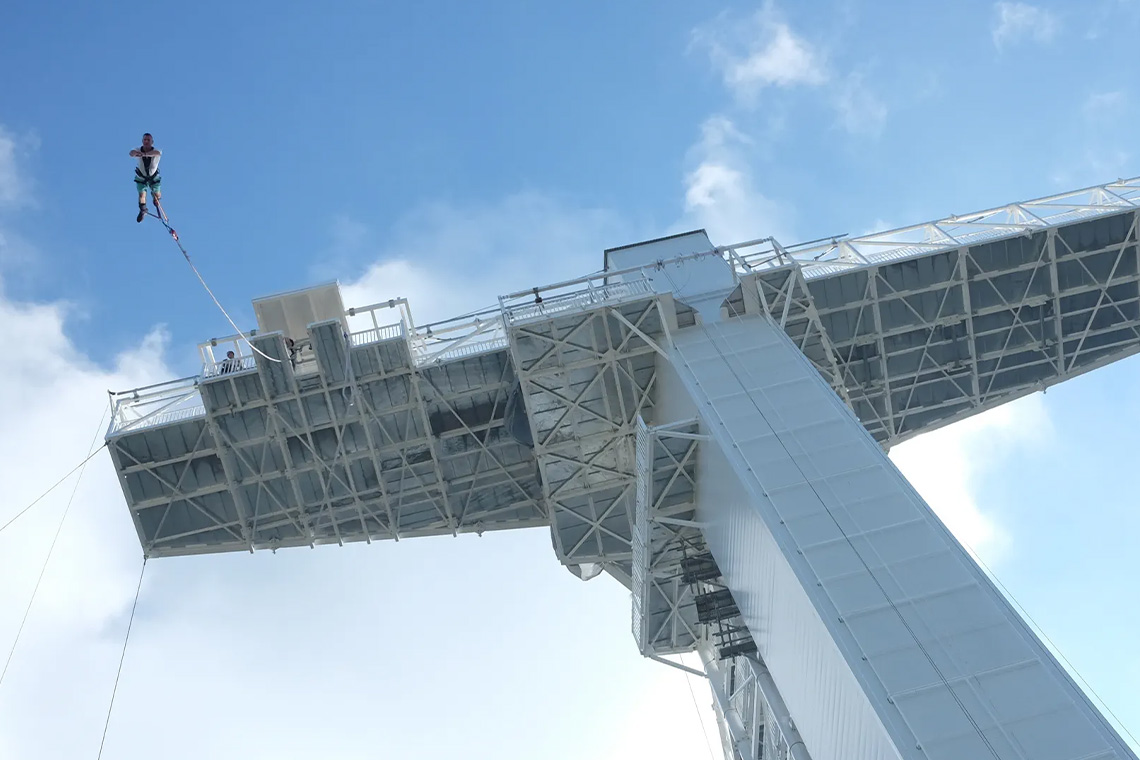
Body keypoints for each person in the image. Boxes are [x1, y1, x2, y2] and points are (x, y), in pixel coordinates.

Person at [129, 133, 162, 223]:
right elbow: (131, 153)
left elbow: (157, 153)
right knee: (141, 195)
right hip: (142, 177)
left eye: (148, 140)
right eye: (145, 140)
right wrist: (136, 153)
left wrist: (144, 154)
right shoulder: (137, 150)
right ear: (142, 141)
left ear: (152, 142)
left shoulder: (156, 151)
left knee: (157, 195)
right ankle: (143, 210)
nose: (146, 141)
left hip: (153, 178)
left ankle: (156, 199)